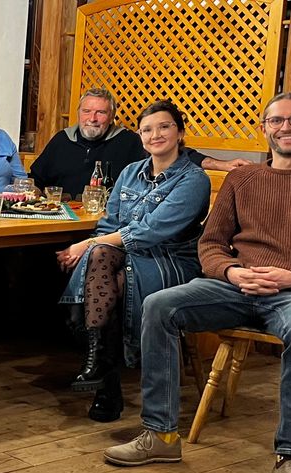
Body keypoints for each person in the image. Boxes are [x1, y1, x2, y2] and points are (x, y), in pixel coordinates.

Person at [103, 92, 291, 473]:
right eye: (277, 121)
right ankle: (161, 436)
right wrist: (229, 271)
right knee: (159, 305)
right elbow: (211, 243)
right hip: (234, 286)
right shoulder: (243, 180)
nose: (286, 128)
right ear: (265, 129)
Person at [56, 100, 211, 422]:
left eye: (164, 127)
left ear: (180, 133)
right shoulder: (130, 173)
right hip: (121, 255)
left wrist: (85, 243)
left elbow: (151, 232)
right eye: (147, 129)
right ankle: (104, 376)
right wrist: (94, 243)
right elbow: (110, 225)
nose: (155, 135)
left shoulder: (194, 179)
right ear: (140, 136)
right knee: (103, 262)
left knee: (109, 274)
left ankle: (105, 382)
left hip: (169, 260)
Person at [30, 88, 251, 198]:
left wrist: (221, 165)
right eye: (87, 111)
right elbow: (35, 179)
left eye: (100, 112)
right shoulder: (62, 139)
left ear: (112, 116)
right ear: (78, 113)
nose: (92, 118)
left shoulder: (128, 140)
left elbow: (175, 152)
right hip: (57, 220)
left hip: (101, 224)